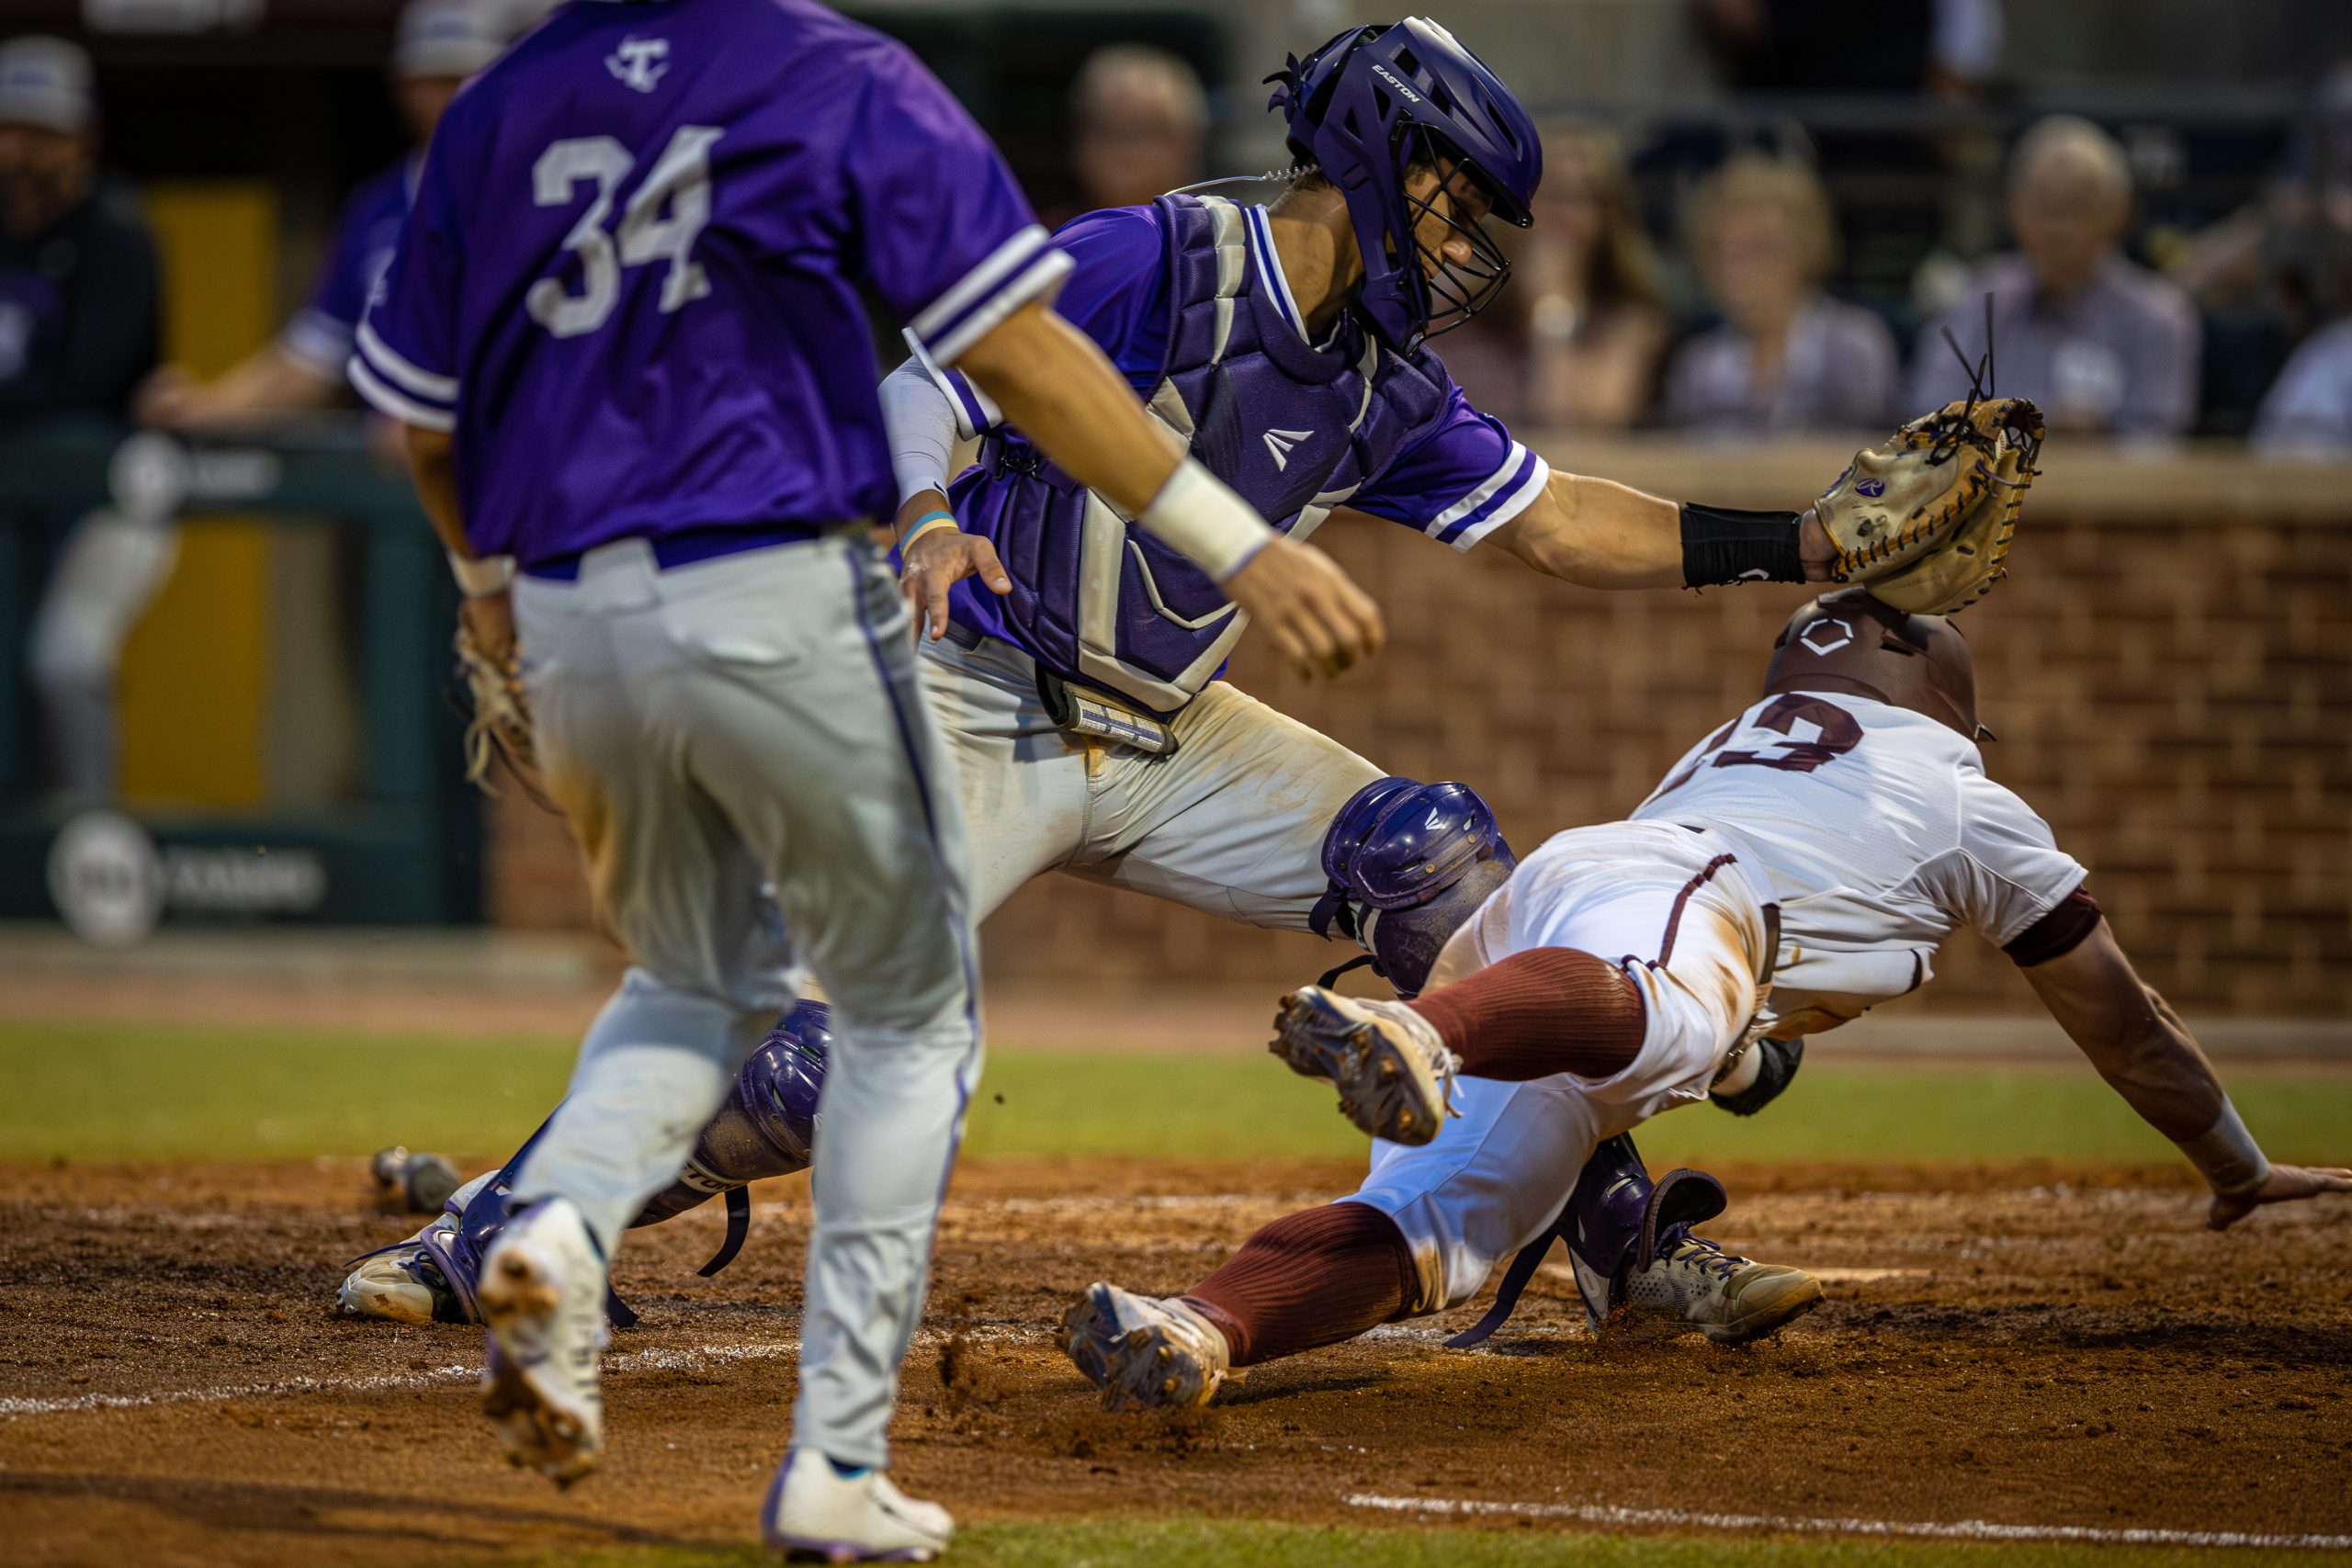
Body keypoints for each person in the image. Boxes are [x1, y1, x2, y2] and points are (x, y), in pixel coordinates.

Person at [348, 0, 1381, 1558]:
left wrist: (493, 599)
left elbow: (416, 422)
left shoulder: (506, 103)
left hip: (574, 598)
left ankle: (532, 1220)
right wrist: (1242, 546)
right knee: (897, 1035)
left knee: (703, 982)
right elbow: (1019, 355)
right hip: (775, 588)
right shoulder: (842, 75)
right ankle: (831, 1466)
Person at [1063, 590, 2352, 1409]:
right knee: (1673, 1013)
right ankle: (1421, 1030)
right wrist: (2233, 1162)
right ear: (1952, 709)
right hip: (1676, 916)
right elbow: (2125, 1020)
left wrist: (1744, 1065)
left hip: (1576, 909)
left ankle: (1199, 1327)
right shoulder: (1965, 793)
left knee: (1439, 1222)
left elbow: (1739, 1022)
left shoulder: (1737, 740)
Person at [136, 0, 510, 433]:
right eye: (434, 80)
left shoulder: (541, 196)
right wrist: (208, 405)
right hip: (401, 482)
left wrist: (437, 415)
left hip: (506, 474)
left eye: (466, 76)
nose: (452, 95)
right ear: (403, 87)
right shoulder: (378, 208)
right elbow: (313, 359)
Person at [1, 34, 165, 799]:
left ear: (83, 137)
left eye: (43, 133)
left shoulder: (117, 233)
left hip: (110, 495)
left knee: (64, 657)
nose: (22, 152)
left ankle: (81, 834)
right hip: (18, 497)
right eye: (10, 129)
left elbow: (90, 380)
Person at [1906, 116, 2199, 436]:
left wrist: (2093, 435)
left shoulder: (2158, 318)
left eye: (2077, 207)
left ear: (2120, 213)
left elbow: (2156, 442)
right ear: (2013, 210)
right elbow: (1928, 414)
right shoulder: (1977, 298)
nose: (2058, 228)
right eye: (2044, 207)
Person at [1442, 121, 1668, 432]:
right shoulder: (1462, 310)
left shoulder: (1629, 319)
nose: (1555, 213)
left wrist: (1552, 308)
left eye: (1576, 197)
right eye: (1541, 194)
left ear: (1607, 218)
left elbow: (1573, 426)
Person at [1662, 153, 1898, 434]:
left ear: (1806, 250)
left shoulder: (1854, 344)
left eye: (1759, 250)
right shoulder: (1699, 364)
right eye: (1724, 252)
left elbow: (1873, 455)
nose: (1737, 269)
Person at [1060, 44, 1207, 219]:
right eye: (1108, 132)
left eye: (1147, 130)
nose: (1127, 154)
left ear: (1188, 141)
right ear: (1079, 144)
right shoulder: (1050, 240)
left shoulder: (1226, 237)